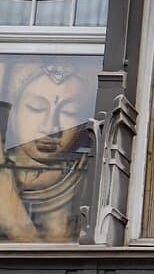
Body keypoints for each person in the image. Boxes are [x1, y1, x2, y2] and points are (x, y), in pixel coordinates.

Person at [0, 58, 96, 242]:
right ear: (14, 113)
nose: (51, 127)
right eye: (36, 108)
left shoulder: (91, 179)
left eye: (70, 113)